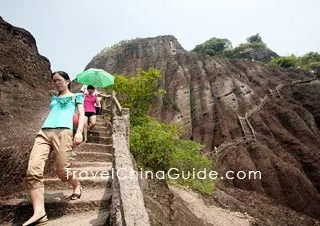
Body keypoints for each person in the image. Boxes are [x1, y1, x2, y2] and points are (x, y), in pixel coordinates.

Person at [22, 71, 85, 226]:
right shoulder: (54, 98)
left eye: (59, 80)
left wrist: (78, 132)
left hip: (64, 132)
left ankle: (77, 184)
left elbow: (82, 115)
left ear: (68, 80)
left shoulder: (77, 96)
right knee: (33, 170)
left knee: (63, 172)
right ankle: (39, 213)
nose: (57, 83)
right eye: (54, 81)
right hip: (44, 132)